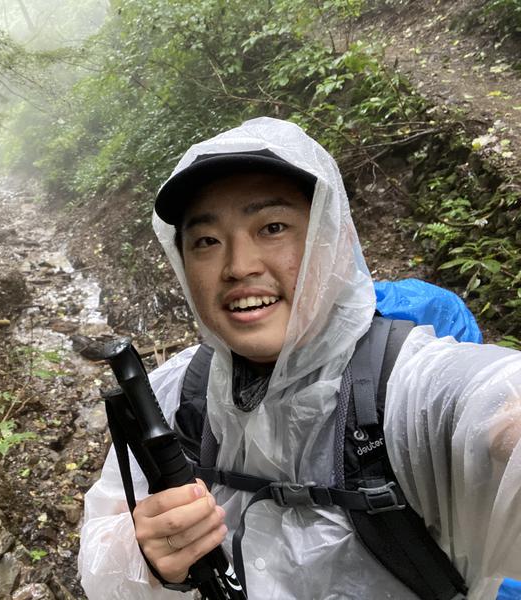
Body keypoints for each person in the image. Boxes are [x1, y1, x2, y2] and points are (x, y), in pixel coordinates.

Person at [77, 117, 521, 599]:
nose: (239, 266)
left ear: (333, 241)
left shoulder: (408, 389)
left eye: (272, 227)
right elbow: (101, 556)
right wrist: (146, 558)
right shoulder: (178, 393)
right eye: (206, 241)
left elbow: (485, 400)